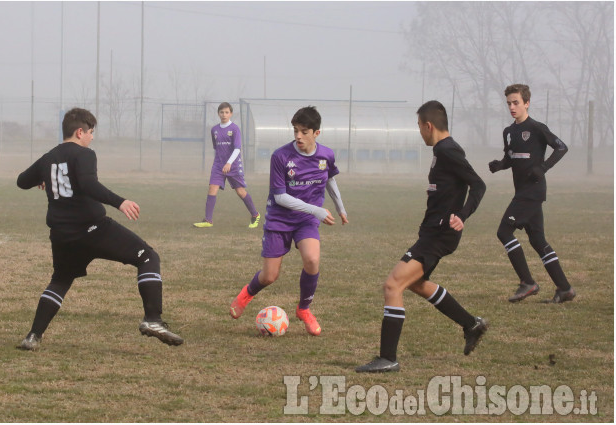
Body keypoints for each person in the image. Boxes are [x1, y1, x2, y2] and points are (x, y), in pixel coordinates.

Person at [16, 107, 183, 351]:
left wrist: (44, 177)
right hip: (93, 229)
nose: (92, 137)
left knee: (61, 280)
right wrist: (120, 202)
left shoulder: (48, 158)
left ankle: (33, 336)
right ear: (80, 131)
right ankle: (153, 320)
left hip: (63, 235)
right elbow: (87, 184)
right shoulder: (85, 154)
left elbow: (22, 181)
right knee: (148, 256)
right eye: (91, 132)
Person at [356, 100, 488, 373]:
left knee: (393, 285)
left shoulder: (449, 150)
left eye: (419, 126)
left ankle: (388, 358)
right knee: (416, 283)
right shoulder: (442, 150)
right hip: (433, 232)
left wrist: (462, 215)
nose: (419, 132)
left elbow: (478, 184)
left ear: (428, 126)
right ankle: (471, 324)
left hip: (439, 235)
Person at [229, 106, 348, 336]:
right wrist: (317, 210)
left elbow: (330, 179)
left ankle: (304, 309)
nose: (298, 136)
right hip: (279, 219)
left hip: (305, 221)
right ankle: (246, 294)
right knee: (269, 276)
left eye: (304, 131)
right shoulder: (281, 156)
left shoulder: (326, 155)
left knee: (312, 260)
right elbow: (280, 197)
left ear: (317, 133)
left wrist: (340, 208)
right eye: (295, 130)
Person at [489, 84, 575, 303]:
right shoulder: (509, 132)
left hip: (532, 192)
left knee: (504, 232)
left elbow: (562, 147)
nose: (512, 106)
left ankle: (527, 282)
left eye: (516, 102)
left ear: (527, 103)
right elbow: (511, 157)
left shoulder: (537, 128)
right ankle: (564, 289)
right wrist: (500, 165)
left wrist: (543, 168)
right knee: (537, 240)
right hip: (523, 192)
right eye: (508, 103)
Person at [193, 102, 260, 228]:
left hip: (233, 165)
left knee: (240, 192)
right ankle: (208, 220)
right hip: (218, 165)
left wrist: (229, 162)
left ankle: (255, 215)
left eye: (227, 112)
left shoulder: (235, 129)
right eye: (222, 112)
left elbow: (237, 148)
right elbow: (216, 147)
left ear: (231, 114)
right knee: (212, 188)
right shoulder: (214, 130)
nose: (224, 115)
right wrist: (221, 162)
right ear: (218, 114)